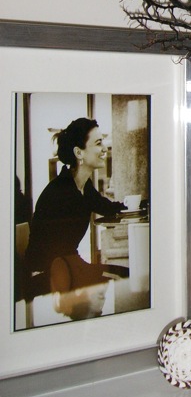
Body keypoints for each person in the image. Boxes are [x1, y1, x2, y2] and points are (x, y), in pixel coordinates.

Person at [24, 117, 126, 296]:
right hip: (48, 277)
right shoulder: (61, 192)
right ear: (79, 153)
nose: (104, 149)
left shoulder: (83, 186)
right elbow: (51, 254)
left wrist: (142, 204)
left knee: (124, 274)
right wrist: (90, 273)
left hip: (68, 267)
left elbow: (108, 208)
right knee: (122, 278)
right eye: (98, 143)